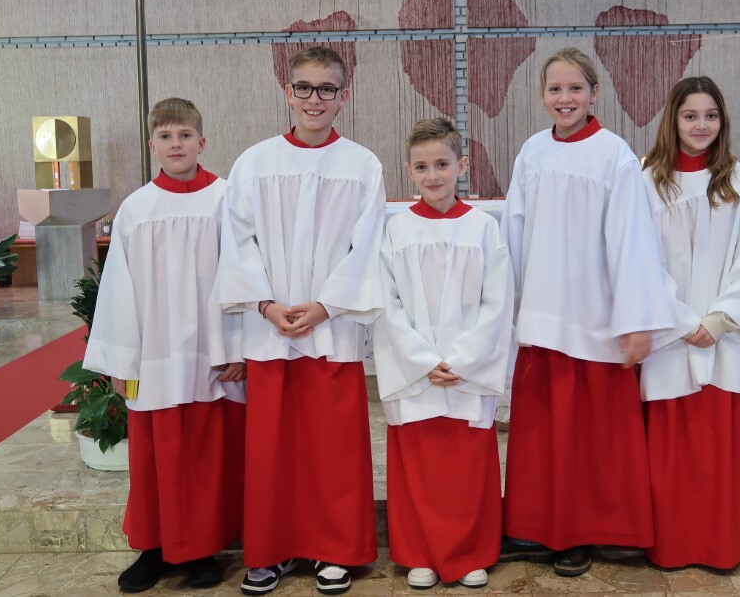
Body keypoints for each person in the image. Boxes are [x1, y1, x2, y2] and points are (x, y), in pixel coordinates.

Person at [499, 47, 674, 577]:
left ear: (594, 93)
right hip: (542, 312)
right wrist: (512, 307)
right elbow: (514, 232)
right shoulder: (532, 152)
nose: (565, 98)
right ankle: (541, 528)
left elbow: (632, 239)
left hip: (596, 316)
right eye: (555, 88)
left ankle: (595, 530)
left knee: (597, 436)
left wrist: (635, 318)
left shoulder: (614, 154)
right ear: (542, 96)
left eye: (575, 88)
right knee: (545, 435)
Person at [218, 46, 385, 596]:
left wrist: (325, 306)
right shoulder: (255, 162)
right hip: (270, 328)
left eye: (327, 89)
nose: (316, 99)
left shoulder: (362, 165)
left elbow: (367, 246)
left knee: (333, 447)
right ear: (288, 92)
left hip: (331, 327)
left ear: (344, 96)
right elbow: (237, 240)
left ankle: (335, 549)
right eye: (305, 88)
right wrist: (265, 305)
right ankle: (272, 549)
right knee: (273, 449)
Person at [83, 97, 246, 592]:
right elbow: (118, 287)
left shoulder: (227, 199)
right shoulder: (137, 207)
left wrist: (238, 347)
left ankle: (203, 550)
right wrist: (120, 359)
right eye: (166, 136)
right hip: (153, 354)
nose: (176, 144)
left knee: (205, 456)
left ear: (202, 141)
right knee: (155, 456)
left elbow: (244, 275)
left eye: (185, 135)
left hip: (211, 355)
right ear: (152, 145)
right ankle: (153, 549)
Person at [373, 118, 514, 589]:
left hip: (466, 372)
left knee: (466, 467)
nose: (432, 176)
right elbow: (387, 302)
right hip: (417, 373)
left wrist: (463, 360)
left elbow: (498, 303)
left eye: (441, 164)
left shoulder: (483, 228)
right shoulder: (397, 230)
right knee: (419, 465)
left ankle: (469, 552)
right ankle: (419, 552)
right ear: (408, 170)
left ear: (462, 165)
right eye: (421, 167)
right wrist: (423, 362)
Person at [640, 76, 740, 569]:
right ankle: (673, 544)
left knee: (717, 447)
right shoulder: (646, 181)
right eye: (690, 116)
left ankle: (720, 545)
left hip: (723, 338)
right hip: (668, 336)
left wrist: (718, 320)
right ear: (672, 120)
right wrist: (679, 319)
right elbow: (638, 259)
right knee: (670, 450)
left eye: (710, 116)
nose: (701, 125)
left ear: (723, 121)